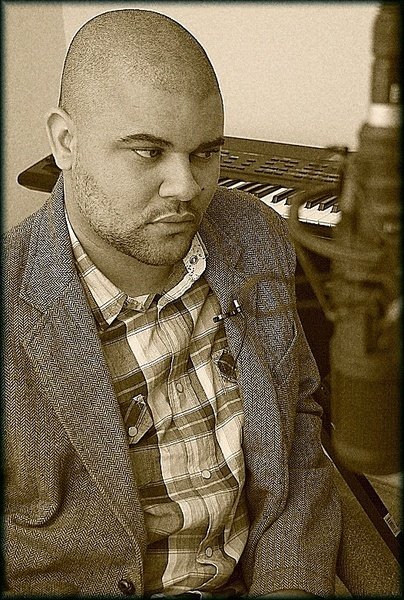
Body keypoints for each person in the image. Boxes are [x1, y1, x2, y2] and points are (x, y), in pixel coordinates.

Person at [4, 9, 341, 598]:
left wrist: (290, 581)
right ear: (65, 141)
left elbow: (295, 431)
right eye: (147, 152)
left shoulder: (255, 238)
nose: (187, 188)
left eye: (205, 153)